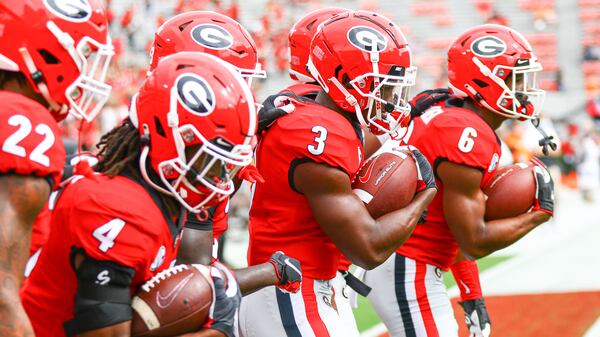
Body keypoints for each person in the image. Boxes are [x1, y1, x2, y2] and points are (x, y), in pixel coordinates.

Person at [20, 52, 254, 337]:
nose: (217, 176)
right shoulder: (118, 209)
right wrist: (216, 332)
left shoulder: (153, 192)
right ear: (169, 135)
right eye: (210, 159)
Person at [239, 11, 437, 337]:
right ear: (343, 81)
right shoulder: (317, 134)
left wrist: (411, 114)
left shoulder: (313, 108)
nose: (390, 99)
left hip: (298, 289)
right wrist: (424, 194)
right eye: (381, 87)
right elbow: (368, 250)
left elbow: (358, 140)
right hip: (291, 293)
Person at [364, 24, 555, 337]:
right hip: (408, 265)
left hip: (411, 262)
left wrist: (471, 292)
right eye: (515, 79)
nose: (524, 88)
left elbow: (454, 224)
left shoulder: (449, 113)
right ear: (484, 80)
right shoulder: (465, 133)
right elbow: (474, 239)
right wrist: (538, 214)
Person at [149, 10, 302, 295]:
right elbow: (192, 288)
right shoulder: (178, 159)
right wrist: (273, 272)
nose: (243, 93)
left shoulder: (189, 146)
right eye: (232, 81)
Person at [0, 0, 113, 335]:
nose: (84, 72)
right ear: (45, 51)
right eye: (83, 55)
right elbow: (2, 295)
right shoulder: (22, 120)